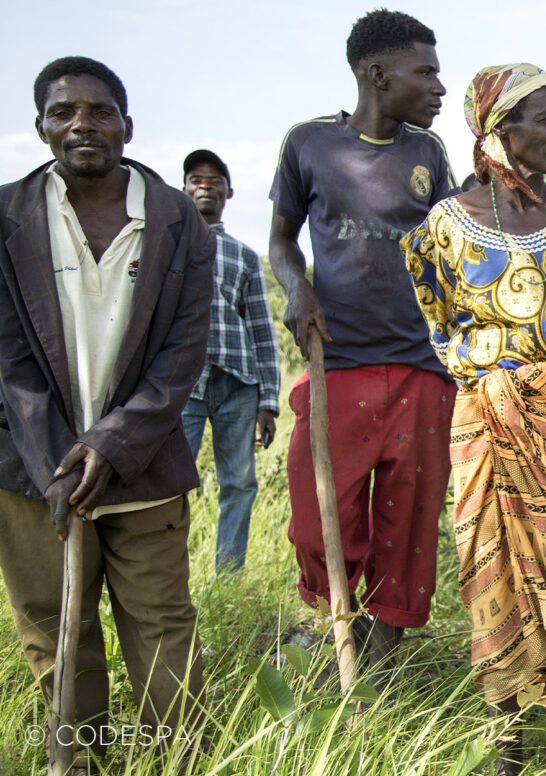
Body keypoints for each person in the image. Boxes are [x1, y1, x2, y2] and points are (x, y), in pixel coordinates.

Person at [404, 63, 546, 775]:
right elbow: (442, 328)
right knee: (491, 579)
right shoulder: (445, 226)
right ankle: (509, 753)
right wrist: (500, 382)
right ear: (497, 131)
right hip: (488, 426)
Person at [0, 56, 212, 769]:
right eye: (64, 113)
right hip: (33, 469)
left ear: (127, 125)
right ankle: (79, 759)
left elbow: (184, 349)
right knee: (54, 626)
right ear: (41, 127)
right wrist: (59, 460)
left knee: (161, 624)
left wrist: (114, 443)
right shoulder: (5, 218)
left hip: (145, 466)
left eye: (99, 111)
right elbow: (8, 360)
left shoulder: (179, 219)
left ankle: (177, 758)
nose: (81, 124)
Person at [268, 9, 457, 663]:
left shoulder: (428, 154)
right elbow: (279, 242)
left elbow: (450, 250)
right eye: (425, 71)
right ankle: (335, 625)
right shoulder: (309, 144)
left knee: (408, 524)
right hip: (338, 360)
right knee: (319, 517)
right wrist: (297, 288)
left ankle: (378, 666)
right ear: (376, 74)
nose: (439, 86)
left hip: (420, 368)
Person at [180, 149, 279, 573]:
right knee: (168, 483)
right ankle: (167, 574)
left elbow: (261, 328)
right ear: (184, 190)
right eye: (196, 180)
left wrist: (268, 401)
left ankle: (228, 576)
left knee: (238, 482)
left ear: (229, 192)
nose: (206, 186)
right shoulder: (166, 246)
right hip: (180, 385)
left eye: (215, 180)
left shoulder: (243, 255)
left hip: (238, 383)